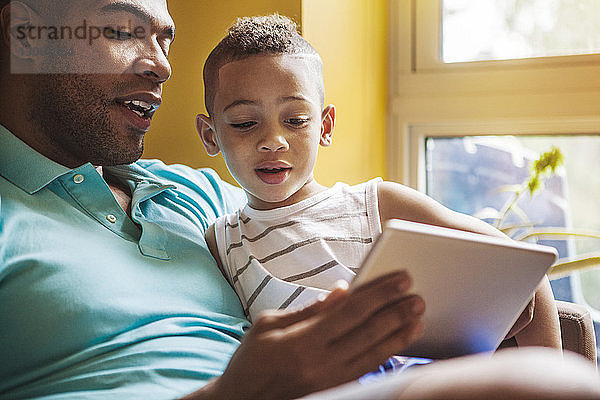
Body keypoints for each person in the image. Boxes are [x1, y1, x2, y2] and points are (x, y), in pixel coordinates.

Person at [0, 1, 599, 399]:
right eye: (120, 30)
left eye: (164, 39)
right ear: (27, 33)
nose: (161, 66)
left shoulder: (197, 195)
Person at [196, 14, 559, 350]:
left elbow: (529, 269)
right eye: (245, 123)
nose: (273, 140)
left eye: (296, 120)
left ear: (325, 127)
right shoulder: (219, 241)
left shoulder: (377, 205)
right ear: (210, 136)